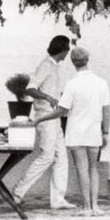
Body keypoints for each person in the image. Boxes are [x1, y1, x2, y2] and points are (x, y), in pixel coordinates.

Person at [33, 47, 110, 216]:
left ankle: (87, 207)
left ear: (74, 63)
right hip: (94, 132)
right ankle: (95, 206)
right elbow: (106, 110)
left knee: (82, 169)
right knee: (93, 169)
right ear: (87, 60)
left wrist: (40, 119)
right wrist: (105, 132)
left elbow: (62, 111)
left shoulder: (72, 84)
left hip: (76, 133)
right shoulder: (101, 83)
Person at [12, 35, 76, 209]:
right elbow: (30, 89)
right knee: (47, 156)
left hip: (54, 117)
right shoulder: (45, 66)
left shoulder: (54, 67)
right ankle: (18, 191)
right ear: (61, 49)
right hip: (45, 118)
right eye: (67, 49)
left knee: (61, 158)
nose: (68, 52)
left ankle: (57, 199)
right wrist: (47, 97)